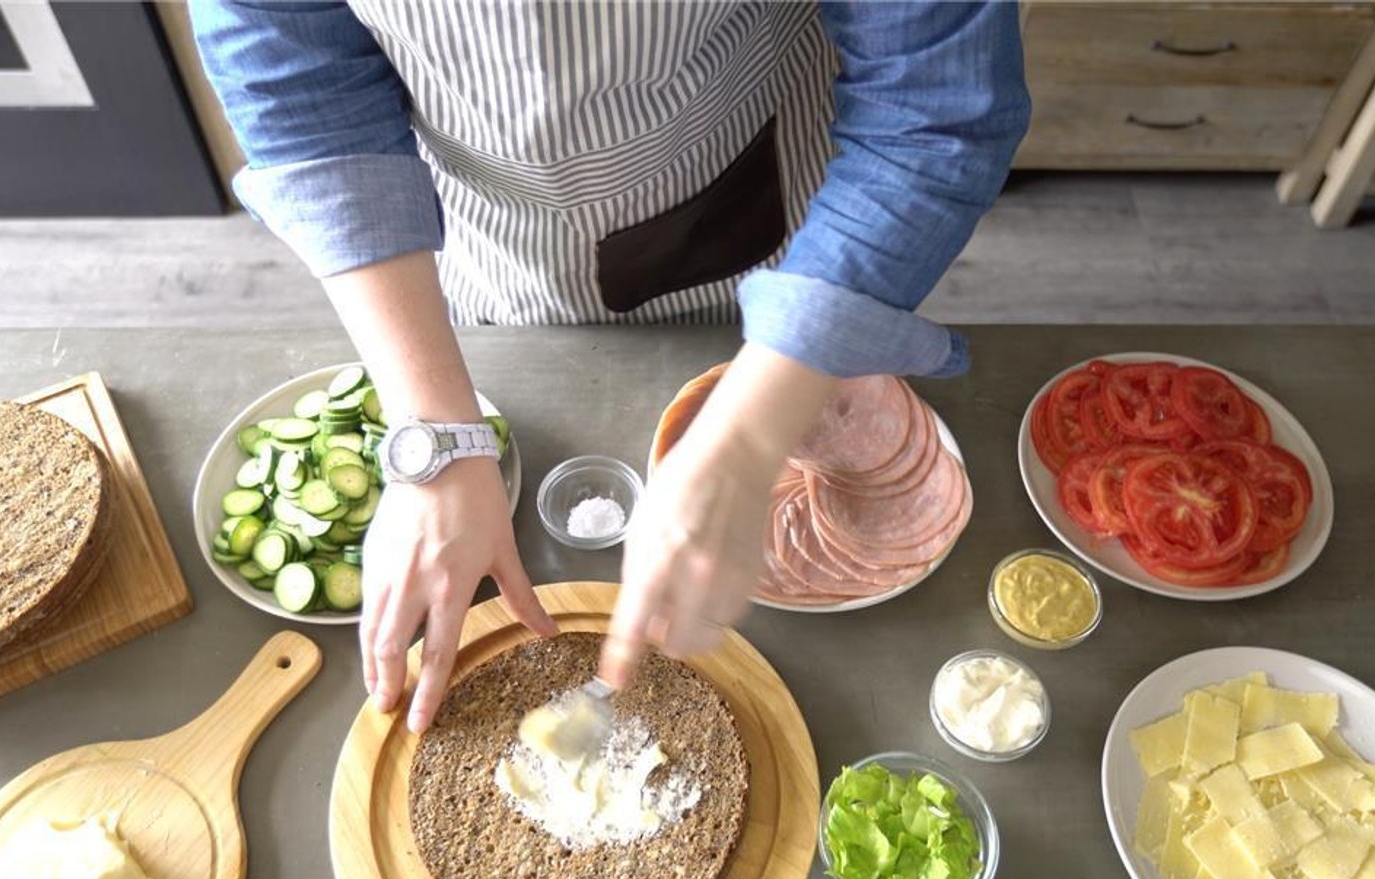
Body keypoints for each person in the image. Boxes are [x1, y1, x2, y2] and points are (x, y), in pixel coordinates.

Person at [191, 0, 1030, 732]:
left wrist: (746, 437)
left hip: (756, 210)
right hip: (483, 231)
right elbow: (299, 87)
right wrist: (435, 432)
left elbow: (932, 103)